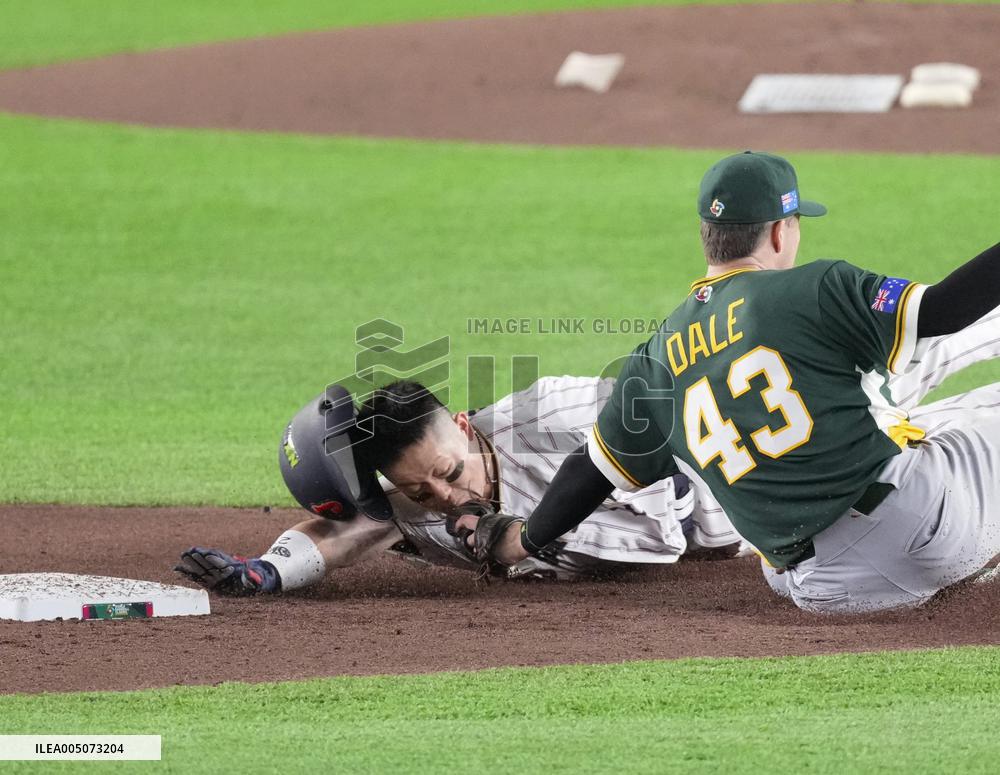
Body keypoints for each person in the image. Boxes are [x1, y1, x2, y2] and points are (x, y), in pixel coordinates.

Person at [458, 150, 1000, 614]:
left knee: (906, 436)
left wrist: (517, 541)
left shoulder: (652, 360)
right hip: (917, 533)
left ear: (707, 237)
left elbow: (589, 470)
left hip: (819, 590)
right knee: (957, 430)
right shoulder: (811, 287)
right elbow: (945, 311)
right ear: (778, 231)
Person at [175, 376, 739, 595]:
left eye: (447, 474)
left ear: (465, 427)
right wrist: (265, 571)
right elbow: (343, 532)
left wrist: (522, 536)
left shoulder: (555, 411)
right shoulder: (419, 508)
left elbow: (669, 421)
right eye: (420, 493)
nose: (442, 498)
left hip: (742, 507)